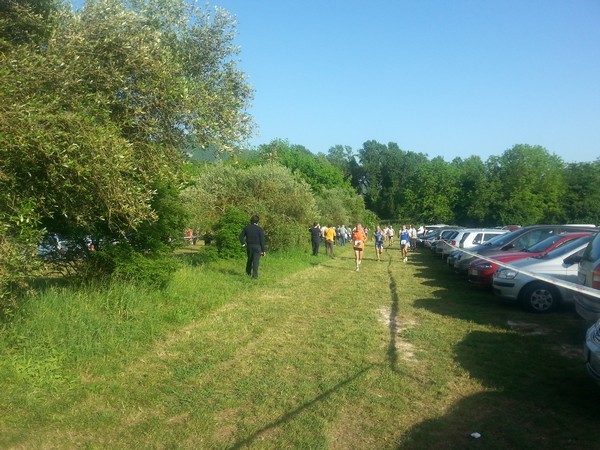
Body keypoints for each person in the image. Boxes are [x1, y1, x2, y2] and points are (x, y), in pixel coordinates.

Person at [239, 214, 266, 279]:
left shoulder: (247, 227)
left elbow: (240, 236)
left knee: (249, 260)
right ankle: (255, 276)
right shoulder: (260, 229)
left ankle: (248, 273)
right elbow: (262, 241)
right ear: (258, 221)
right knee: (256, 261)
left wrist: (243, 244)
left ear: (251, 221)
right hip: (257, 247)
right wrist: (263, 250)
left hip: (249, 246)